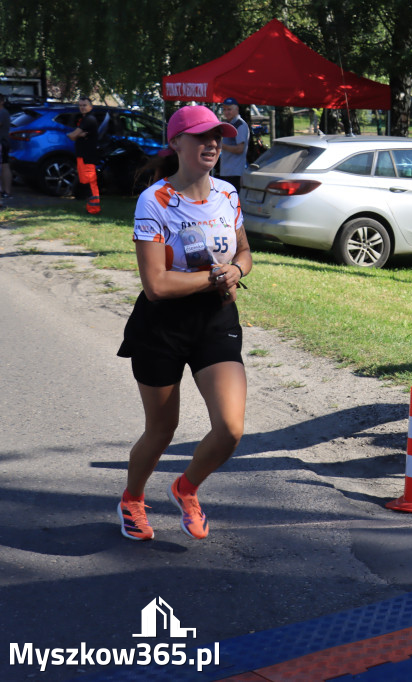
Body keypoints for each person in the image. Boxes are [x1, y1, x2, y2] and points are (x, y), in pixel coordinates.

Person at [116, 105, 252, 542]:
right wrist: (214, 275)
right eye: (201, 136)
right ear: (176, 143)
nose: (212, 143)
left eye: (217, 136)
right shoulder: (154, 200)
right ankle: (132, 499)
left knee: (230, 429)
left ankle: (185, 487)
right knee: (162, 429)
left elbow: (244, 253)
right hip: (162, 327)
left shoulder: (228, 195)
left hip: (215, 319)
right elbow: (156, 284)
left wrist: (238, 271)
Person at [67, 97, 102, 214]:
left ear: (91, 106)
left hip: (88, 156)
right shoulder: (84, 119)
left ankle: (94, 209)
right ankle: (90, 207)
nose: (82, 107)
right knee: (85, 182)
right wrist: (79, 134)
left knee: (90, 182)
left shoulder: (89, 119)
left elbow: (72, 135)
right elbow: (73, 135)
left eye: (85, 105)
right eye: (80, 105)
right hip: (82, 155)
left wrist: (77, 134)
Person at [218, 97, 249, 192]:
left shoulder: (240, 125)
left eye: (229, 109)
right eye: (224, 109)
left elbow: (240, 149)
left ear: (237, 109)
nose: (226, 112)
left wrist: (221, 145)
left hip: (234, 172)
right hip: (228, 171)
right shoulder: (230, 123)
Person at [0, 94, 12, 205]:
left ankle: (7, 191)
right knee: (4, 165)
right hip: (3, 142)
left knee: (4, 165)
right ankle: (4, 190)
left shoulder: (3, 113)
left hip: (2, 142)